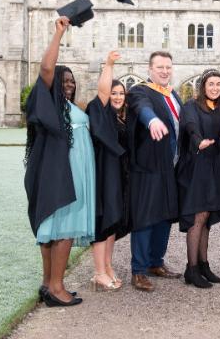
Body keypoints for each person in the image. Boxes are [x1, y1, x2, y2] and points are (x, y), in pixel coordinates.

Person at [24, 16, 95, 307]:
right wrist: (59, 34)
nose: (69, 85)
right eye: (64, 81)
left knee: (52, 229)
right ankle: (57, 287)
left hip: (68, 171)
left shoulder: (67, 107)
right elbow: (46, 68)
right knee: (63, 227)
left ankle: (47, 284)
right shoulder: (48, 102)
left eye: (72, 82)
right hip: (63, 173)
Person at [126, 51, 182, 292]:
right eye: (159, 67)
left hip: (171, 167)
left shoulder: (174, 95)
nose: (164, 71)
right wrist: (151, 121)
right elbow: (142, 108)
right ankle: (138, 270)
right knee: (146, 218)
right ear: (150, 69)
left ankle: (155, 262)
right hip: (148, 167)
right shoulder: (140, 91)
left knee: (165, 216)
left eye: (168, 67)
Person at [177, 69, 220, 288]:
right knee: (197, 216)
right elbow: (190, 126)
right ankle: (191, 269)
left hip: (216, 167)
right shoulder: (192, 106)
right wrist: (198, 140)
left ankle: (203, 265)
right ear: (203, 86)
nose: (214, 88)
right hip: (197, 167)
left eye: (218, 85)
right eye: (211, 84)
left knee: (207, 217)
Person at [86, 51, 131, 291]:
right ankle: (99, 273)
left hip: (118, 175)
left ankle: (108, 267)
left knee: (113, 221)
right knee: (103, 221)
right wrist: (109, 64)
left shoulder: (119, 117)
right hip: (103, 174)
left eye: (121, 92)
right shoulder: (99, 109)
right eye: (114, 92)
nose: (117, 96)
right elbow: (103, 91)